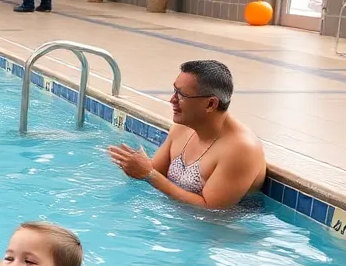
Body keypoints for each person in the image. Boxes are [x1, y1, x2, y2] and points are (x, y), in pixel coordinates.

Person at [108, 60, 266, 209]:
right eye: (174, 90)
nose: (172, 100)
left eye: (182, 95)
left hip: (216, 235)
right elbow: (153, 171)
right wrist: (133, 166)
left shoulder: (241, 149)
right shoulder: (181, 129)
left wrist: (149, 175)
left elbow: (211, 211)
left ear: (211, 104)